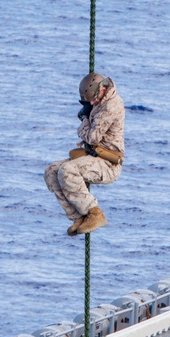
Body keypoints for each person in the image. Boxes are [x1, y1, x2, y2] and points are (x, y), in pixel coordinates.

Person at [44, 73, 125, 235]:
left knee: (68, 170)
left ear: (103, 89)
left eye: (94, 99)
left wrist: (84, 119)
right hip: (92, 156)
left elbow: (93, 137)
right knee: (51, 172)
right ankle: (79, 216)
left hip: (107, 163)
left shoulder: (110, 106)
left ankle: (95, 213)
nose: (92, 103)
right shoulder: (100, 100)